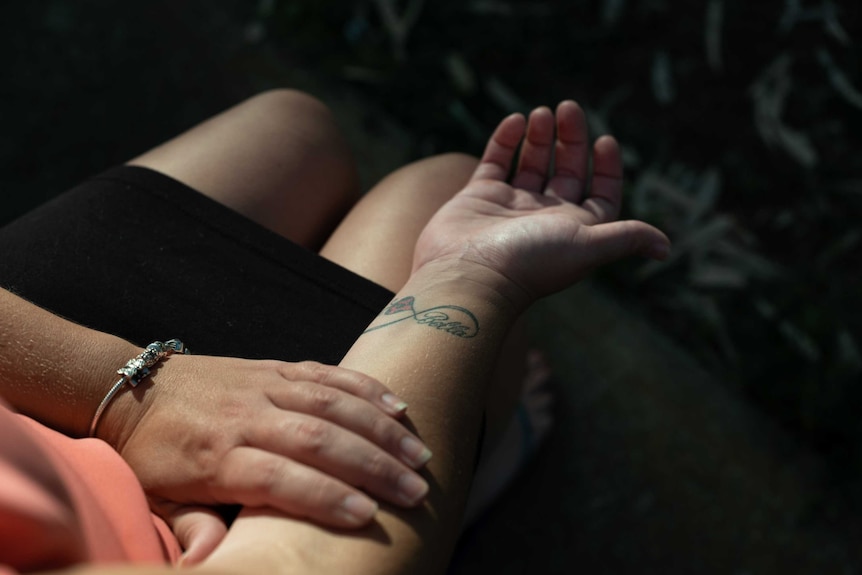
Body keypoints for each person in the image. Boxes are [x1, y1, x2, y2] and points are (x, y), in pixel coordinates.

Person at [0, 90, 669, 574]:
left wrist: (117, 394)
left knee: (292, 129)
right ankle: (460, 494)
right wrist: (470, 277)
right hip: (200, 541)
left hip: (37, 375)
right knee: (441, 189)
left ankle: (458, 474)